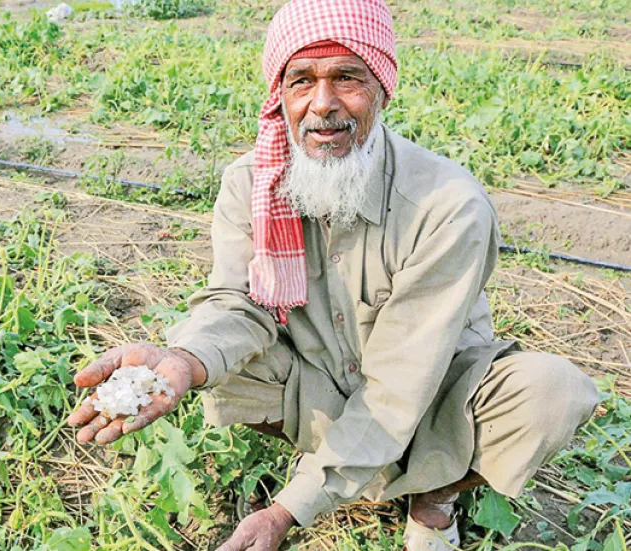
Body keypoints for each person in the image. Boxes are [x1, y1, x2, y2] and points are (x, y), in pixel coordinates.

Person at [67, 0, 600, 549]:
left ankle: (433, 498)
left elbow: (400, 384)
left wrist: (285, 513)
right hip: (319, 379)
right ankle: (350, 465)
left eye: (347, 78)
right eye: (302, 81)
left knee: (549, 395)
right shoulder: (250, 182)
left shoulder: (447, 204)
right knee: (219, 364)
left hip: (433, 389)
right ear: (281, 94)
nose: (323, 105)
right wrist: (181, 361)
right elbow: (237, 304)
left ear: (381, 89)